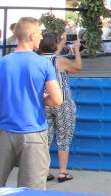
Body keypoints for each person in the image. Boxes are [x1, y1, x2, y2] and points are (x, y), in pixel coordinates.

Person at [0, 17, 63, 190]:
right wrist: (40, 98)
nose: (41, 37)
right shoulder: (44, 64)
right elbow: (57, 100)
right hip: (34, 135)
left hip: (4, 133)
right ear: (31, 35)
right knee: (31, 191)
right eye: (40, 33)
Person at [38, 32, 81, 183]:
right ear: (55, 45)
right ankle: (62, 171)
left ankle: (44, 171)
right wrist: (76, 50)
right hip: (63, 101)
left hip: (43, 102)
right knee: (64, 137)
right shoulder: (60, 61)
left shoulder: (37, 60)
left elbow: (52, 54)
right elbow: (77, 68)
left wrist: (62, 42)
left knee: (45, 137)